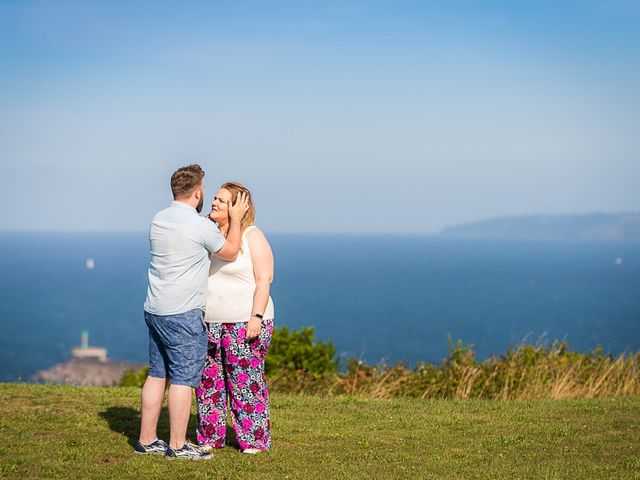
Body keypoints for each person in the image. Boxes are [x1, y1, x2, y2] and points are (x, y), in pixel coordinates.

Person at [135, 165, 249, 460]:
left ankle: (146, 440)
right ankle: (177, 444)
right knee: (183, 379)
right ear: (198, 192)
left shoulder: (158, 219)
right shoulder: (200, 226)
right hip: (183, 313)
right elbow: (232, 251)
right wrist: (235, 219)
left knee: (157, 374)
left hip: (155, 308)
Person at [195, 182, 275, 454]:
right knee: (208, 383)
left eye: (222, 200)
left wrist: (257, 317)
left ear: (238, 207)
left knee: (245, 382)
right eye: (214, 198)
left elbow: (264, 279)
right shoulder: (209, 234)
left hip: (244, 321)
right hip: (209, 323)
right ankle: (209, 436)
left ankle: (254, 440)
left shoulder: (253, 235)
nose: (214, 202)